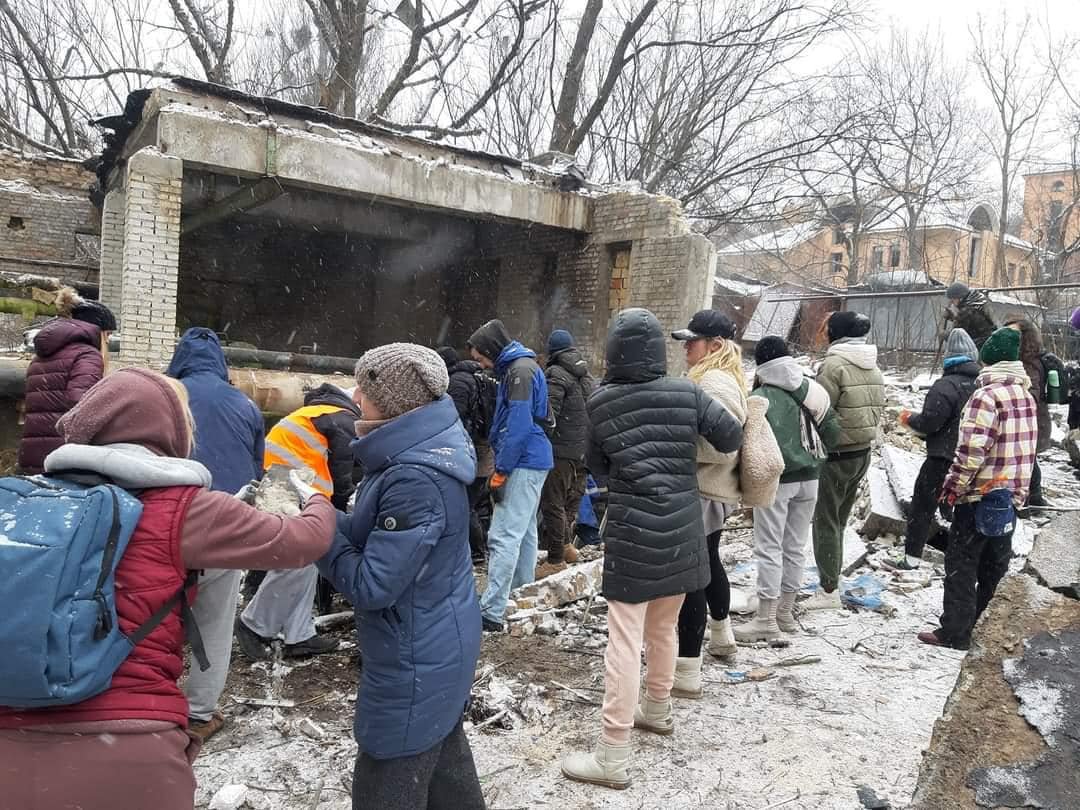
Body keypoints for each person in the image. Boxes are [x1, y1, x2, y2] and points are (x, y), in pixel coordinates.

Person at [0, 368, 336, 810]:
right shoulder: (186, 509)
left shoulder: (20, 503)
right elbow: (303, 542)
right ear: (171, 431)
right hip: (130, 747)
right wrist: (313, 496)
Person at [560, 308, 743, 790]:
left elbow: (596, 464)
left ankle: (612, 755)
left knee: (623, 640)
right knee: (663, 627)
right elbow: (730, 436)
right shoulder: (688, 392)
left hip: (633, 530)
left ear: (615, 351)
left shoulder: (601, 402)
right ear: (658, 352)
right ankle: (657, 709)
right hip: (684, 527)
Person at [317, 343, 484, 810]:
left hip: (415, 652)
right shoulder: (408, 455)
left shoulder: (414, 477)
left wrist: (319, 534)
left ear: (391, 403)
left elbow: (372, 585)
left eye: (364, 388)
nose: (354, 395)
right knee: (440, 756)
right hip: (432, 638)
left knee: (388, 771)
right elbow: (376, 539)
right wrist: (322, 514)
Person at [166, 327, 265, 742]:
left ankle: (149, 701)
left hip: (166, 524)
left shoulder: (166, 395)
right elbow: (257, 471)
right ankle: (200, 712)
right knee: (215, 622)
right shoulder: (244, 403)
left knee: (154, 616)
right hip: (225, 525)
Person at [919, 327, 1037, 650]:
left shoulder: (985, 397)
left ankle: (956, 632)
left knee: (961, 564)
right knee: (994, 568)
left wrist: (952, 489)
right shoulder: (1025, 396)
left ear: (989, 360)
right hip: (1008, 498)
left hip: (978, 496)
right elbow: (1028, 452)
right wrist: (1020, 494)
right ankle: (985, 631)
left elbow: (970, 452)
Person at [236, 383, 360, 660]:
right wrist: (344, 513)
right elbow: (343, 473)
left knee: (307, 560)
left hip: (280, 483)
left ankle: (299, 634)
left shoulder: (319, 412)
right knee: (302, 556)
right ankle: (254, 624)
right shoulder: (344, 418)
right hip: (291, 487)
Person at [735, 336, 840, 642]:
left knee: (769, 548)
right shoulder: (812, 389)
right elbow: (833, 430)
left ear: (761, 365)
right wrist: (812, 456)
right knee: (794, 547)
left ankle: (766, 619)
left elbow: (750, 447)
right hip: (811, 480)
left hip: (776, 483)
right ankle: (786, 614)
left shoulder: (760, 397)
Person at [668, 310, 748, 696]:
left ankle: (687, 672)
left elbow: (722, 446)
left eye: (693, 341)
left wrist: (672, 447)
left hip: (702, 489)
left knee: (691, 579)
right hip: (711, 490)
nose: (686, 347)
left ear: (714, 346)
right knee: (709, 564)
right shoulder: (719, 377)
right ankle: (721, 637)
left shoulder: (714, 382)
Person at [468, 319, 554, 632]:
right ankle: (521, 594)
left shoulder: (519, 372)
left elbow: (517, 425)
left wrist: (501, 469)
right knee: (525, 531)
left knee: (503, 535)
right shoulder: (521, 368)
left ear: (492, 350)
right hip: (534, 459)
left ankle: (491, 611)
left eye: (481, 358)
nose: (481, 364)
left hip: (523, 460)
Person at [805, 311, 885, 610]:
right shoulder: (872, 366)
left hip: (836, 455)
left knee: (825, 522)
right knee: (838, 521)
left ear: (835, 334)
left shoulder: (834, 365)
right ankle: (832, 581)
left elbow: (819, 410)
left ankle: (828, 591)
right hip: (861, 453)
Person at [888, 329, 981, 571]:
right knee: (962, 506)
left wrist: (908, 419)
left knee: (922, 506)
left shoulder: (945, 386)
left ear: (948, 358)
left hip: (942, 458)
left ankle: (911, 559)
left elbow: (930, 423)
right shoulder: (982, 386)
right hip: (972, 460)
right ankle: (963, 559)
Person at [18, 287, 115, 475]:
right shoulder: (87, 356)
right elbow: (83, 407)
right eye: (108, 335)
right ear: (97, 330)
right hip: (62, 460)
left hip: (32, 456)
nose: (109, 342)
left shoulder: (42, 355)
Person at [537, 329, 596, 577]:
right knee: (572, 500)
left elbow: (549, 415)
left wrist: (541, 442)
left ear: (553, 351)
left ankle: (555, 559)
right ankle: (566, 546)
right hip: (584, 450)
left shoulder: (556, 374)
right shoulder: (587, 377)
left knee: (552, 503)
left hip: (561, 451)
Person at [438, 345, 494, 563]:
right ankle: (481, 551)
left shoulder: (458, 383)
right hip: (483, 449)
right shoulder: (475, 376)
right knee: (477, 504)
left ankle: (477, 554)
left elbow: (456, 419)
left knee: (465, 505)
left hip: (473, 451)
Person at [1003, 317, 1053, 508]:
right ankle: (1032, 497)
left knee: (1028, 459)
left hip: (1032, 420)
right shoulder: (1020, 358)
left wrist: (1013, 399)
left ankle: (1034, 498)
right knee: (1027, 458)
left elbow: (1032, 393)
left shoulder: (1029, 362)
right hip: (1028, 419)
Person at [943, 282, 997, 349]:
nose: (952, 302)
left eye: (953, 299)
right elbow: (971, 323)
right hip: (989, 340)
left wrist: (945, 335)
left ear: (961, 298)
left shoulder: (966, 310)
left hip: (979, 345)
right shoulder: (977, 302)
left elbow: (957, 335)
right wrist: (953, 317)